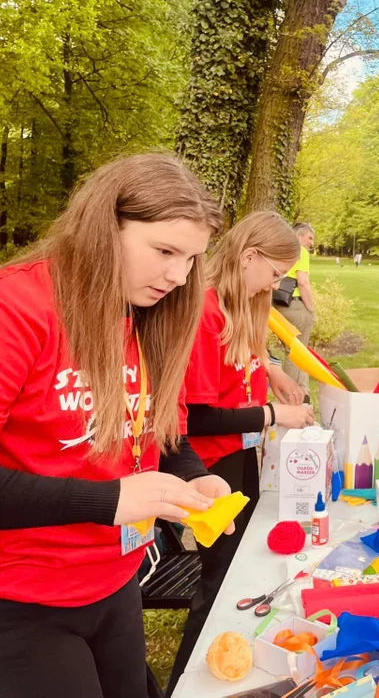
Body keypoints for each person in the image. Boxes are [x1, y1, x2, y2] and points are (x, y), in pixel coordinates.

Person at [0, 153, 229, 698]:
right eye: (164, 251)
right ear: (106, 226)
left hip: (115, 582)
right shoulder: (19, 306)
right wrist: (108, 501)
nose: (178, 276)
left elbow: (156, 436)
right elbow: (113, 491)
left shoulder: (142, 313)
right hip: (21, 599)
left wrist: (192, 473)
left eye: (192, 258)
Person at [165, 211, 316, 694]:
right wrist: (272, 415)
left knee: (240, 566)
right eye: (273, 274)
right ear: (248, 256)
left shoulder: (240, 305)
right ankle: (192, 679)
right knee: (219, 582)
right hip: (208, 465)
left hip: (237, 456)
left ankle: (234, 655)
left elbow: (245, 356)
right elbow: (199, 417)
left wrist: (271, 370)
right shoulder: (206, 312)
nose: (274, 285)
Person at [277, 223, 316, 391]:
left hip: (278, 305)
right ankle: (292, 394)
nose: (312, 243)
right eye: (310, 237)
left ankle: (303, 391)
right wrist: (311, 310)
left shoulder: (281, 249)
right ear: (299, 236)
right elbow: (303, 282)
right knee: (297, 353)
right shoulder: (300, 251)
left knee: (293, 351)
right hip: (295, 304)